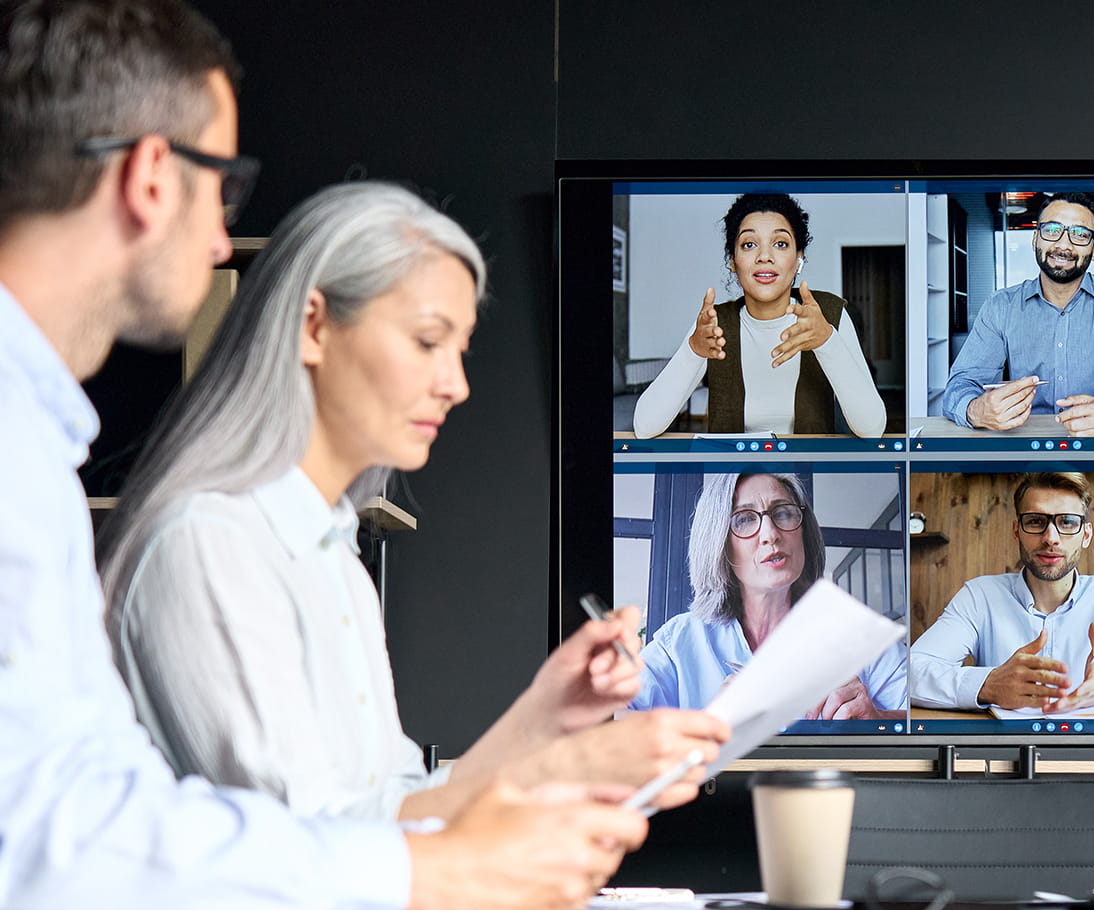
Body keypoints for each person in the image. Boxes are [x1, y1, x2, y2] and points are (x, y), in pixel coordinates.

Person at [0, 0, 662, 910]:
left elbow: (369, 806)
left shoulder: (331, 555)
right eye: (222, 188)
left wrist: (545, 727)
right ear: (153, 176)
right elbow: (70, 830)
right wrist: (534, 792)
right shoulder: (193, 529)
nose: (225, 238)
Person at [97, 181, 730, 822]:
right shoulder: (209, 542)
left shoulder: (333, 556)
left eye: (461, 351)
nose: (456, 386)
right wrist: (566, 767)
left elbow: (397, 804)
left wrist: (548, 715)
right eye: (428, 342)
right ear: (313, 326)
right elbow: (311, 844)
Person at [912, 472, 1094, 711]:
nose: (1051, 538)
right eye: (1036, 522)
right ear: (1017, 531)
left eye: (1067, 523)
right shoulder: (979, 596)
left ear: (1085, 535)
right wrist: (989, 684)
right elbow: (911, 672)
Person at [628, 472, 908, 720]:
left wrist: (878, 719)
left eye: (783, 513)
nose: (770, 534)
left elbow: (925, 721)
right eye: (745, 519)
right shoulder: (679, 642)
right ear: (719, 543)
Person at [629, 192, 887, 438]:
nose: (765, 256)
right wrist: (694, 350)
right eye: (749, 244)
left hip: (813, 478)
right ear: (732, 259)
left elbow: (872, 428)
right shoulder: (714, 324)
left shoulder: (829, 314)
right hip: (735, 479)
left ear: (799, 258)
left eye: (781, 243)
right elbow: (644, 426)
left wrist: (827, 341)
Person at [941, 193, 1094, 437]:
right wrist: (976, 409)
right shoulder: (1000, 306)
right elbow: (960, 386)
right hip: (1024, 452)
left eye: (1080, 234)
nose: (1064, 245)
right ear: (1035, 238)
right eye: (1052, 230)